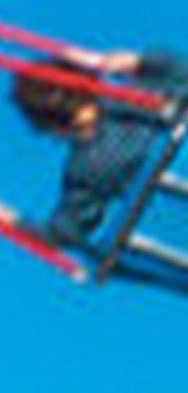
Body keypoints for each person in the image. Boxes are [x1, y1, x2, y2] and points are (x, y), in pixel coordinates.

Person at [11, 49, 187, 262]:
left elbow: (63, 233)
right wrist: (137, 63)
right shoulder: (143, 96)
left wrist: (12, 221)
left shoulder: (86, 168)